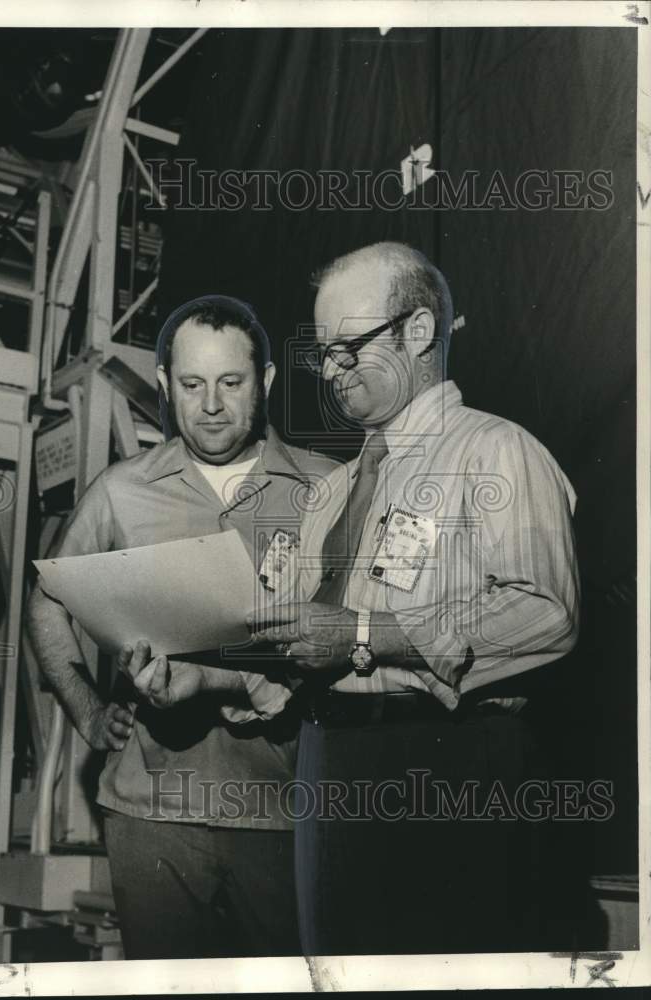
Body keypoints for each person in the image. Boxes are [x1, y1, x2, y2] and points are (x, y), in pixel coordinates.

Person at [136, 243, 580, 955]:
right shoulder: (334, 492)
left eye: (350, 347)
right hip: (328, 761)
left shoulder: (497, 453)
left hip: (446, 761)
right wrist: (202, 679)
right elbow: (302, 645)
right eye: (323, 354)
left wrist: (369, 632)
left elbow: (546, 613)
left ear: (419, 332)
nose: (334, 371)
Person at [27, 295, 337, 960]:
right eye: (192, 385)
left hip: (284, 813)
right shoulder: (120, 492)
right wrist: (85, 708)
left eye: (232, 382)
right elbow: (46, 600)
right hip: (151, 817)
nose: (213, 405)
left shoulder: (329, 490)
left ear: (269, 381)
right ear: (164, 385)